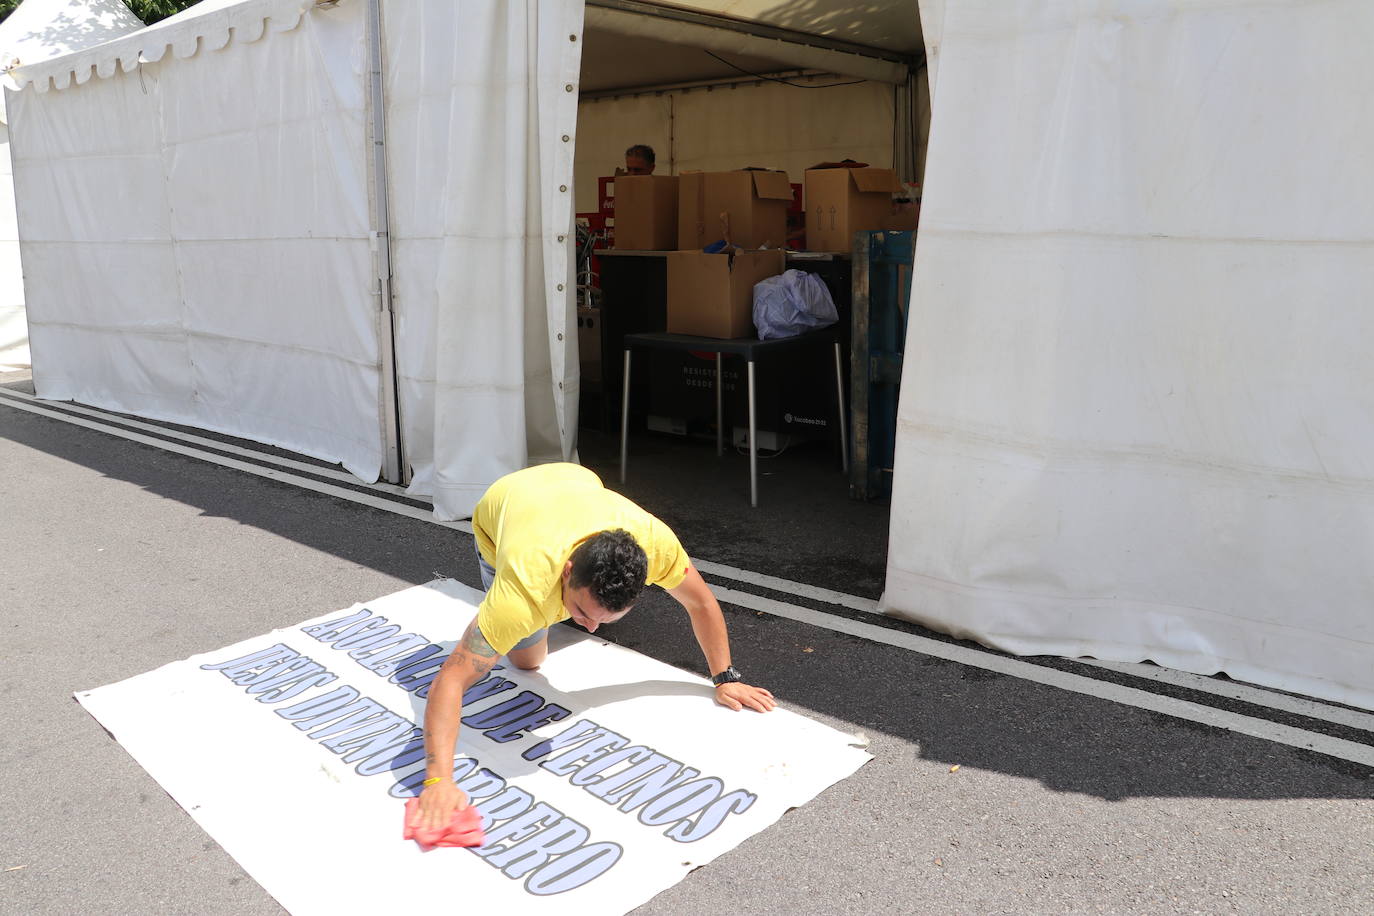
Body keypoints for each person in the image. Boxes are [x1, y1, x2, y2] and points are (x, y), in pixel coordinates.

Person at [411, 462, 774, 831]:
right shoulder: (522, 592)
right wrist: (438, 780)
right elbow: (451, 680)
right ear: (567, 572)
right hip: (503, 502)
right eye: (583, 611)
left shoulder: (656, 545)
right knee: (526, 661)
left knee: (546, 638)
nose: (589, 627)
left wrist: (724, 677)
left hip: (574, 479)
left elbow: (701, 603)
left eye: (605, 619)